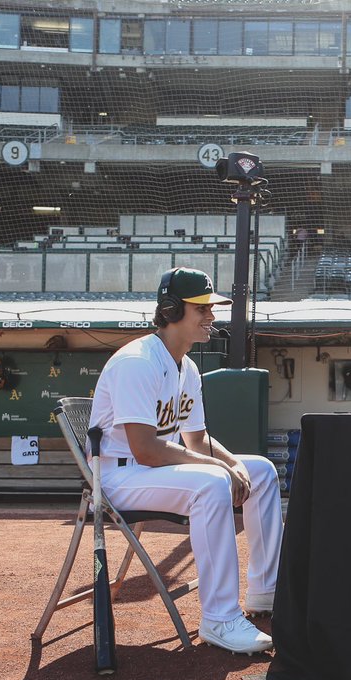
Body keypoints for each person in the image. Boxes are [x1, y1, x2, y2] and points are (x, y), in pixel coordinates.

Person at [88, 267, 283, 655]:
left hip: (154, 471)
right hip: (118, 477)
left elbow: (198, 439)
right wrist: (218, 469)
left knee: (260, 470)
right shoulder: (137, 361)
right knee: (211, 485)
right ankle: (220, 618)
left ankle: (266, 591)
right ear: (172, 309)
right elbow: (145, 448)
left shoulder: (187, 366)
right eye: (202, 308)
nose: (212, 316)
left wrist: (232, 462)